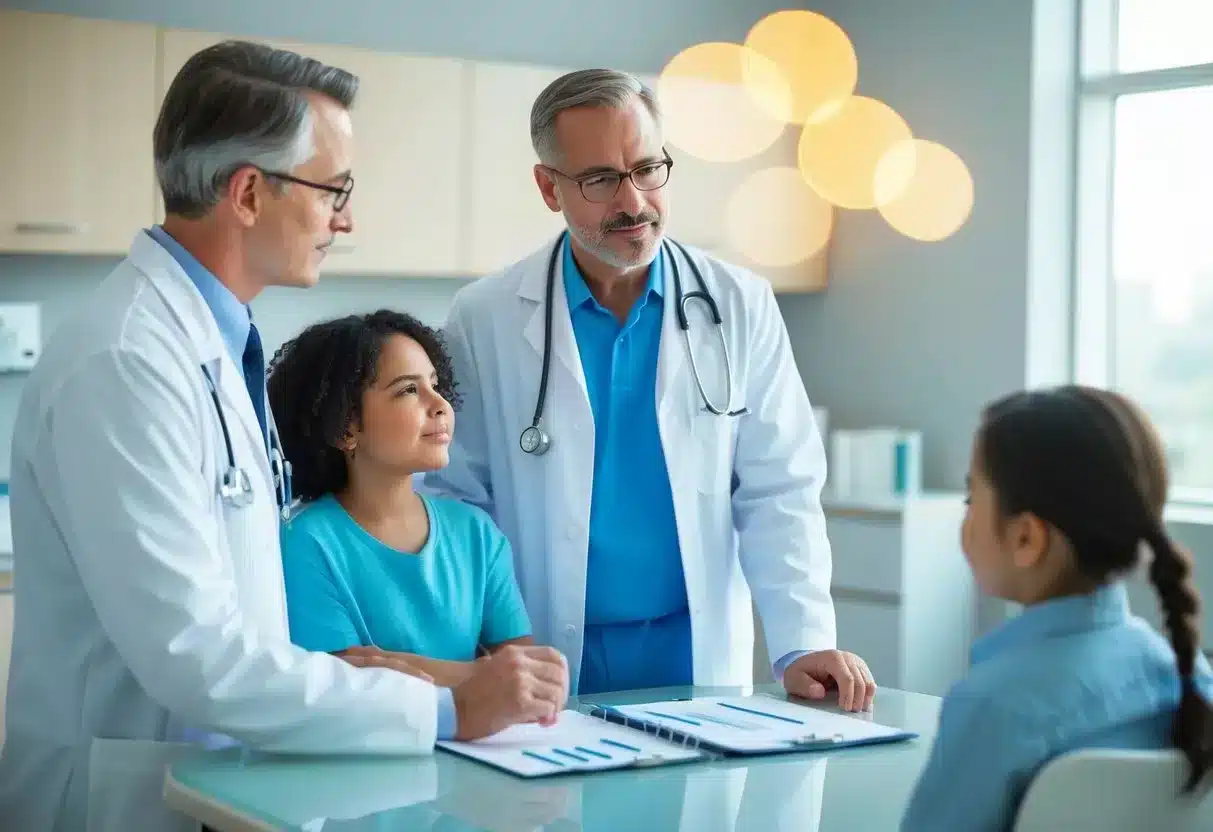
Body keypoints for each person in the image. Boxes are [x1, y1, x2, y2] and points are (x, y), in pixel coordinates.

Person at [0, 40, 565, 832]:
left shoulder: (213, 345)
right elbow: (196, 653)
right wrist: (443, 707)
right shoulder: (127, 360)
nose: (346, 217)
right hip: (117, 796)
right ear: (247, 194)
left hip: (211, 779)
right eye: (333, 188)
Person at [422, 68, 875, 709]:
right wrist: (488, 635)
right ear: (549, 188)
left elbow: (780, 489)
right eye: (601, 180)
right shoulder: (485, 314)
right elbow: (456, 497)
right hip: (542, 650)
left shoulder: (737, 304)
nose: (633, 201)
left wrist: (802, 644)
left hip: (692, 650)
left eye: (647, 168)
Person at [900, 385, 1213, 831]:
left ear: (1026, 538)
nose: (965, 519)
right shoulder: (1188, 679)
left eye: (972, 500)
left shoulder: (993, 705)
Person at [267, 309, 541, 688]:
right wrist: (479, 676)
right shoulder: (304, 542)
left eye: (435, 384)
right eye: (408, 390)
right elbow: (337, 682)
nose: (439, 404)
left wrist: (386, 665)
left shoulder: (477, 533)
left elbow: (525, 677)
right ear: (344, 426)